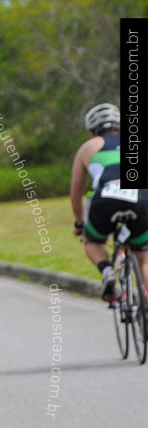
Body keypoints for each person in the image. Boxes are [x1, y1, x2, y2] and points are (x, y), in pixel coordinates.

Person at [70, 103, 148, 300]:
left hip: (106, 198)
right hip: (140, 197)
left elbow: (76, 193)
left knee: (92, 241)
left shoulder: (88, 147)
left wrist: (80, 224)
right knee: (145, 259)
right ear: (121, 126)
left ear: (91, 131)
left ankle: (107, 271)